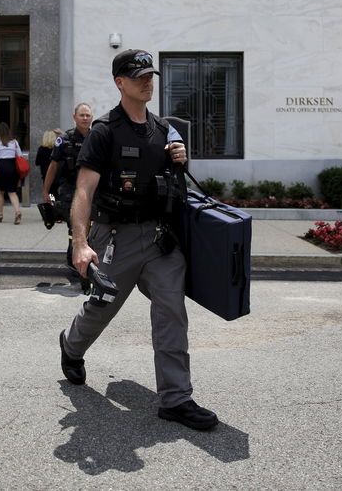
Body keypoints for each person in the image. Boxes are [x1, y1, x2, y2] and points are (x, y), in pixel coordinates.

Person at [58, 49, 219, 431]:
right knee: (102, 305)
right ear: (120, 83)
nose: (147, 82)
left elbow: (173, 185)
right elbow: (83, 191)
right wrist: (81, 243)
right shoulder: (104, 131)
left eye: (150, 75)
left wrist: (179, 159)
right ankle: (72, 346)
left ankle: (176, 398)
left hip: (159, 238)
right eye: (138, 76)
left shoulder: (163, 129)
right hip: (116, 236)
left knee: (171, 311)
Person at [43, 103, 93, 270]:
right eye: (82, 115)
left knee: (92, 232)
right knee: (75, 229)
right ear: (74, 117)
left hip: (93, 191)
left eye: (88, 115)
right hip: (70, 191)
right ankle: (74, 268)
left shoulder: (97, 138)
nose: (85, 118)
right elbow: (53, 166)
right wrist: (45, 191)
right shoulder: (64, 139)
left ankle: (89, 267)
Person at [0, 122, 23, 225]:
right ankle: (17, 212)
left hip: (1, 167)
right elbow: (20, 156)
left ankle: (0, 214)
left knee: (0, 192)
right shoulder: (14, 142)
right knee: (12, 192)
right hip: (12, 167)